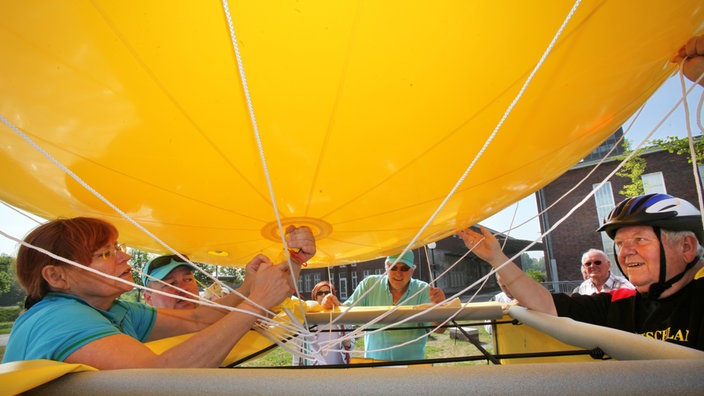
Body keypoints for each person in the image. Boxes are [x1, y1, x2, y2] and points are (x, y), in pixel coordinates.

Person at [2, 217, 316, 368]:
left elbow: (197, 318)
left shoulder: (114, 309)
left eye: (119, 249)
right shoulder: (59, 317)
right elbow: (160, 378)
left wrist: (252, 284)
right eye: (106, 253)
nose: (125, 257)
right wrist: (258, 299)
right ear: (57, 275)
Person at [459, 193, 704, 351]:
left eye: (640, 239)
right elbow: (545, 305)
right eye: (619, 244)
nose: (626, 252)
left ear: (686, 247)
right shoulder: (618, 303)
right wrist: (496, 258)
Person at [321, 250, 446, 361]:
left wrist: (441, 309)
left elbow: (439, 329)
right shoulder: (369, 285)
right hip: (375, 366)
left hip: (410, 367)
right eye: (393, 267)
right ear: (386, 267)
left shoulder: (423, 289)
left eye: (404, 268)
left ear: (412, 270)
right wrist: (333, 303)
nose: (398, 273)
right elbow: (345, 312)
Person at [294, 281, 352, 365]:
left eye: (327, 292)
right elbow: (298, 348)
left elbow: (351, 343)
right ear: (315, 297)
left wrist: (348, 343)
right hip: (315, 367)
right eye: (320, 293)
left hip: (338, 365)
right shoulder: (307, 316)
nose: (324, 295)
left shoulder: (340, 316)